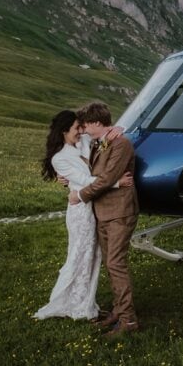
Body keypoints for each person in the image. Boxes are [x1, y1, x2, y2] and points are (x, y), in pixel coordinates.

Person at [35, 110, 131, 321]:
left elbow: (103, 132)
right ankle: (78, 305)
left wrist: (118, 128)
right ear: (64, 132)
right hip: (81, 212)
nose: (81, 131)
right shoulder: (59, 159)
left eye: (81, 127)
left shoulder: (83, 141)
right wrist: (116, 183)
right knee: (81, 255)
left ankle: (88, 302)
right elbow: (85, 179)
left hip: (95, 205)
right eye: (76, 128)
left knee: (94, 257)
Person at [70, 101, 140, 338]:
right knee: (111, 265)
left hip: (120, 212)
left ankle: (128, 320)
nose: (85, 129)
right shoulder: (99, 141)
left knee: (115, 264)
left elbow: (107, 177)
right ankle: (118, 312)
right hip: (103, 212)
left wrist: (80, 195)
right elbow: (92, 173)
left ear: (97, 123)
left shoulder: (121, 144)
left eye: (87, 124)